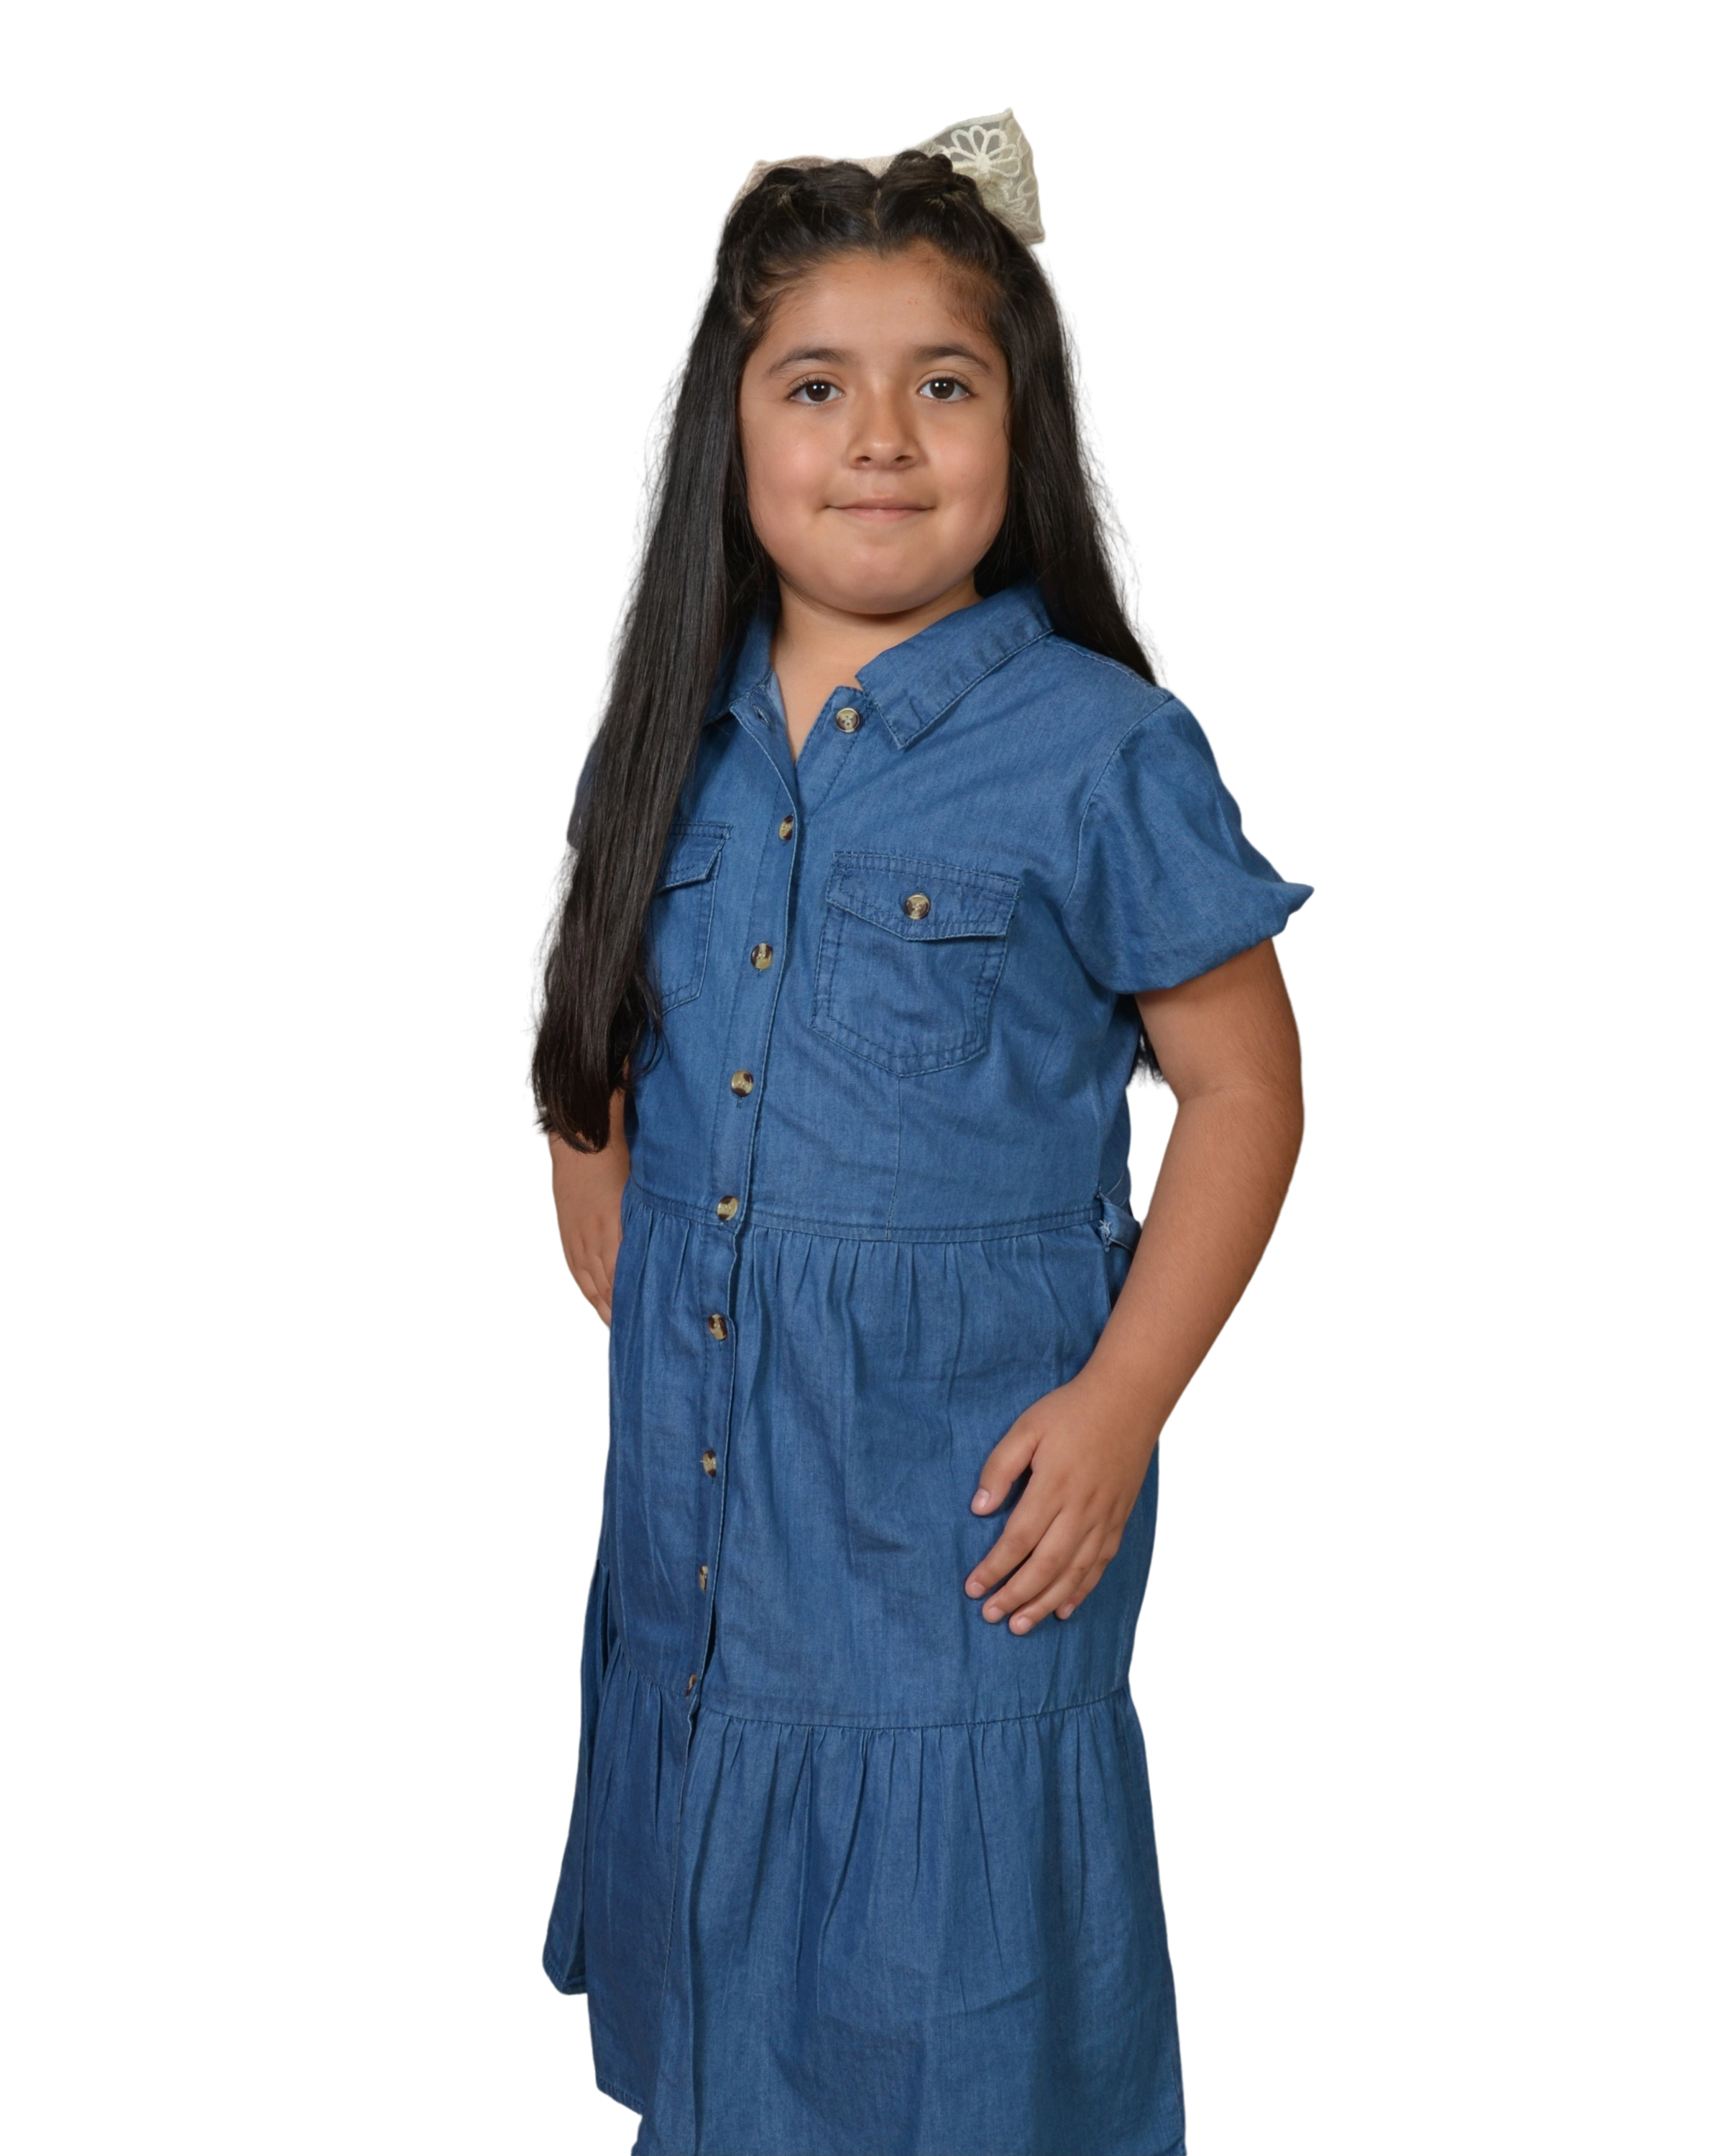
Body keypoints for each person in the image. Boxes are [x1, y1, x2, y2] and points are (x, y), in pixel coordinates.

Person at [523, 124, 1317, 2156]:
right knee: (726, 2021)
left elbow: (1248, 1091)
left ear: (1021, 424)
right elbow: (595, 970)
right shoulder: (661, 732)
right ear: (725, 435)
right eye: (817, 385)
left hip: (956, 1529)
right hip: (710, 1524)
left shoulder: (1105, 749)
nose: (880, 436)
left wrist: (1126, 1405)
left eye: (942, 383)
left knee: (955, 2027)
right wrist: (588, 1152)